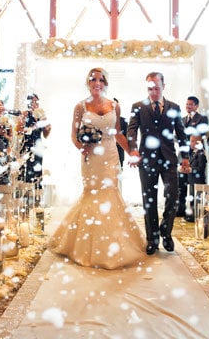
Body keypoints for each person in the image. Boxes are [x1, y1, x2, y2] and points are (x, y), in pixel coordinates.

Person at [49, 67, 145, 269]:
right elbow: (74, 136)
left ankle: (113, 246)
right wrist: (82, 147)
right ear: (88, 83)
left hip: (110, 156)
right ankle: (85, 245)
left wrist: (132, 153)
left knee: (111, 194)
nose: (97, 83)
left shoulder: (114, 106)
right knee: (92, 195)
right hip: (91, 158)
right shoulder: (80, 106)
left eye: (101, 80)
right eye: (93, 80)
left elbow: (118, 133)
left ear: (106, 84)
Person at [127, 72, 189, 255]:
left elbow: (182, 135)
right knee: (149, 200)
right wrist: (133, 150)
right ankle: (152, 238)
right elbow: (131, 131)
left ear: (164, 86)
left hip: (169, 159)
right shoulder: (138, 106)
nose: (154, 92)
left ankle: (166, 232)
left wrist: (184, 156)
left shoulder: (174, 107)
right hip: (147, 160)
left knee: (172, 196)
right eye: (150, 89)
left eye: (157, 88)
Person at [177, 95, 208, 220]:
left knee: (193, 185)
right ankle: (180, 210)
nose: (188, 107)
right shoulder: (183, 119)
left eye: (190, 104)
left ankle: (192, 213)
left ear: (196, 106)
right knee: (181, 185)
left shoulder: (202, 118)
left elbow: (200, 134)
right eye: (187, 104)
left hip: (195, 153)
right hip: (183, 153)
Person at [18, 93, 51, 187]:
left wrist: (47, 128)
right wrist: (32, 127)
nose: (35, 103)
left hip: (38, 144)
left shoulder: (42, 116)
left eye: (36, 101)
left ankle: (36, 193)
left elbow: (46, 135)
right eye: (33, 101)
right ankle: (25, 190)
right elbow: (19, 131)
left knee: (37, 167)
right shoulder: (25, 114)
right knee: (26, 167)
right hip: (27, 143)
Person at [113, 98, 128, 168]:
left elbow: (127, 136)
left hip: (119, 151)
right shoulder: (103, 121)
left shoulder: (124, 121)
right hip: (106, 152)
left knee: (119, 173)